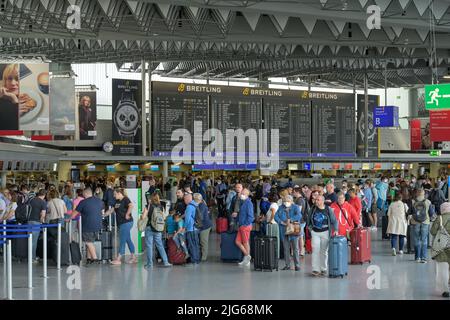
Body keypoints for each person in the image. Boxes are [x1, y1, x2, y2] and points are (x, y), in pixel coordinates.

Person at [71, 188, 104, 264]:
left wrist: (69, 218)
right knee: (91, 241)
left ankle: (95, 259)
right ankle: (89, 259)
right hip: (98, 225)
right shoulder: (99, 201)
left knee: (88, 242)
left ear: (85, 194)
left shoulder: (83, 202)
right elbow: (102, 212)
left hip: (87, 225)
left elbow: (74, 213)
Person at [308, 195, 338, 277]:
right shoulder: (313, 209)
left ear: (322, 201)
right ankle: (315, 269)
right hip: (315, 232)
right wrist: (310, 229)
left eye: (318, 200)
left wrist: (335, 230)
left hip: (325, 232)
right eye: (316, 200)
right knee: (315, 250)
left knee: (324, 252)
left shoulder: (328, 209)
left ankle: (323, 269)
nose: (316, 201)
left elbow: (334, 220)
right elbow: (309, 220)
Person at [141, 193, 172, 269]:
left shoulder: (148, 206)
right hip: (158, 228)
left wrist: (144, 215)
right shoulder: (161, 207)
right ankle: (166, 262)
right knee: (160, 245)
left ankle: (150, 264)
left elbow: (143, 217)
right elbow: (164, 217)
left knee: (149, 246)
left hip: (149, 228)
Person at [106, 188, 137, 265]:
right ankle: (133, 257)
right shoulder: (117, 202)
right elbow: (112, 210)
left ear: (119, 193)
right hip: (122, 223)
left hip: (126, 222)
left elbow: (131, 205)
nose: (113, 196)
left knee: (122, 240)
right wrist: (103, 214)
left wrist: (127, 214)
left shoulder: (125, 199)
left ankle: (118, 259)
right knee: (128, 240)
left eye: (115, 194)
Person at [275, 195, 302, 271]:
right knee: (286, 248)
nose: (285, 202)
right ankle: (287, 265)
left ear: (291, 201)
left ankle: (297, 265)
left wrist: (291, 220)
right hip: (283, 230)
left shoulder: (295, 207)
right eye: (284, 201)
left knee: (295, 248)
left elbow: (299, 215)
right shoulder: (280, 207)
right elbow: (276, 216)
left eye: (287, 201)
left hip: (293, 229)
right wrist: (281, 222)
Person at [430, 202, 450, 298]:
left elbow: (433, 231)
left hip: (442, 247)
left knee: (443, 269)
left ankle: (445, 290)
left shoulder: (440, 218)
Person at [232, 188, 254, 266]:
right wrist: (236, 217)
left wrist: (245, 224)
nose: (242, 194)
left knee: (245, 242)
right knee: (237, 242)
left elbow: (251, 217)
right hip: (241, 225)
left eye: (243, 193)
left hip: (245, 226)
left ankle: (247, 259)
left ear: (247, 195)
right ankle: (247, 256)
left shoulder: (249, 203)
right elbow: (242, 214)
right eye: (242, 193)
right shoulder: (243, 202)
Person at [410, 189, 433, 263]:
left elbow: (409, 212)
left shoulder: (412, 201)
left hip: (415, 222)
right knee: (424, 239)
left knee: (416, 239)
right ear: (424, 194)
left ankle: (417, 257)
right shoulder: (428, 202)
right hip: (425, 222)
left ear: (416, 193)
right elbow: (431, 213)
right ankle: (424, 258)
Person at [28, 189, 47, 262]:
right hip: (36, 222)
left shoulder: (31, 200)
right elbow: (43, 214)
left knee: (29, 239)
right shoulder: (43, 202)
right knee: (34, 241)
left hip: (29, 221)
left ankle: (29, 256)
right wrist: (42, 221)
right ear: (44, 195)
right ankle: (32, 258)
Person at [0, 64, 19, 130]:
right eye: (9, 78)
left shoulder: (30, 99)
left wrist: (15, 100)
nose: (13, 83)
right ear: (5, 81)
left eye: (17, 79)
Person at [184, 193, 201, 265]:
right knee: (196, 244)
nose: (184, 201)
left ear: (188, 199)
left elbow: (187, 219)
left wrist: (184, 227)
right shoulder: (195, 204)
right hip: (196, 227)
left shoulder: (189, 206)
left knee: (191, 245)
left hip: (191, 228)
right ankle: (197, 259)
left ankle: (194, 260)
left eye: (185, 199)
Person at [197, 194, 212, 261]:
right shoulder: (200, 205)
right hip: (202, 225)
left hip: (205, 226)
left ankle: (204, 257)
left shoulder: (202, 206)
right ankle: (202, 255)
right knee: (202, 241)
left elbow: (201, 216)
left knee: (203, 241)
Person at [265, 193, 280, 259]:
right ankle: (275, 254)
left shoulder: (273, 205)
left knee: (271, 239)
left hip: (272, 224)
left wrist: (271, 220)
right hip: (274, 224)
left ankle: (273, 254)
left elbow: (273, 212)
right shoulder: (275, 204)